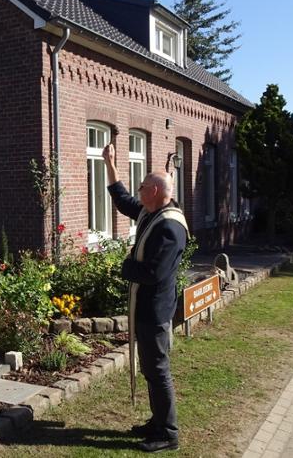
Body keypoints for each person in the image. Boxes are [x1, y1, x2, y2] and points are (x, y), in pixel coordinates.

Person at [102, 142, 189, 453]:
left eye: (142, 187)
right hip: (147, 309)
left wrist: (126, 265)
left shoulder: (169, 227)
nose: (138, 191)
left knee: (158, 371)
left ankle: (168, 433)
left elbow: (153, 273)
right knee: (151, 369)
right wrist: (109, 164)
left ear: (154, 191)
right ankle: (157, 422)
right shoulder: (152, 212)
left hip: (155, 312)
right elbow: (123, 200)